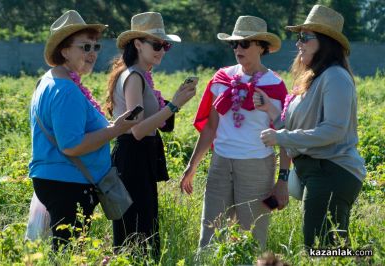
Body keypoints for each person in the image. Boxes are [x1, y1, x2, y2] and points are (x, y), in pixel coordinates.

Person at [257, 5, 366, 248]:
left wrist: (282, 137)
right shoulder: (316, 78)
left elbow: (333, 130)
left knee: (320, 247)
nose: (299, 43)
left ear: (325, 42)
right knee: (326, 246)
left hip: (332, 171)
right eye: (299, 37)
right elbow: (297, 128)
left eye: (305, 37)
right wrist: (272, 113)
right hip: (320, 171)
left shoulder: (335, 76)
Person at [29, 10, 137, 250]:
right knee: (70, 253)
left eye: (96, 47)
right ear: (64, 50)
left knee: (65, 250)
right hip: (68, 183)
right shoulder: (65, 89)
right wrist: (115, 130)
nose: (92, 54)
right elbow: (71, 145)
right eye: (85, 47)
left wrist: (111, 128)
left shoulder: (49, 81)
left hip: (60, 180)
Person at [180, 16, 289, 249]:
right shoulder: (221, 79)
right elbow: (210, 127)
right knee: (209, 236)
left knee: (252, 239)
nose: (238, 48)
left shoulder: (275, 86)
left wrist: (283, 180)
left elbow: (284, 136)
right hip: (220, 165)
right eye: (234, 44)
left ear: (262, 46)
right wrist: (192, 166)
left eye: (245, 43)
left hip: (257, 168)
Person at [106, 12, 196, 255]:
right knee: (137, 232)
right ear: (137, 44)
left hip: (140, 157)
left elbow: (152, 123)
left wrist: (171, 103)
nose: (162, 50)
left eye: (165, 45)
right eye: (156, 44)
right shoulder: (134, 76)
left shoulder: (141, 75)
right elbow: (136, 129)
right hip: (133, 157)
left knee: (144, 228)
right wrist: (173, 105)